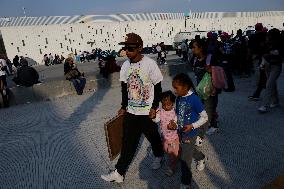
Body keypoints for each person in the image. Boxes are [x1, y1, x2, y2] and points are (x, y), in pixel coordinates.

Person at [101, 33, 164, 183]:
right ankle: (119, 172)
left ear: (140, 48)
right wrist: (123, 107)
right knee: (128, 142)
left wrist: (154, 107)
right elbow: (124, 89)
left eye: (130, 48)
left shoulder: (150, 64)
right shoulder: (125, 66)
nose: (127, 51)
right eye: (125, 48)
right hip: (131, 111)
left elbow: (159, 87)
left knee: (153, 137)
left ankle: (159, 155)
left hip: (147, 111)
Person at [171, 73, 208, 189]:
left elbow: (205, 117)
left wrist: (192, 126)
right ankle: (201, 157)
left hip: (190, 134)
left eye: (176, 88)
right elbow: (178, 115)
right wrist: (174, 123)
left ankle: (186, 182)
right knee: (188, 150)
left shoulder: (194, 99)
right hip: (181, 132)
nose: (175, 91)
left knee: (185, 159)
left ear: (186, 87)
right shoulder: (179, 98)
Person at [153, 90, 179, 176]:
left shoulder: (175, 112)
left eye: (168, 104)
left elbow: (178, 123)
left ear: (172, 103)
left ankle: (172, 167)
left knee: (172, 154)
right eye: (163, 104)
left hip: (173, 137)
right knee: (166, 150)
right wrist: (153, 116)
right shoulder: (160, 111)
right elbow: (156, 120)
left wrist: (175, 125)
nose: (166, 106)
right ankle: (177, 151)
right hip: (164, 137)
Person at [258, 28, 282, 113]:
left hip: (276, 66)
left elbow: (279, 54)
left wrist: (271, 54)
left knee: (268, 85)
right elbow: (264, 55)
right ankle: (275, 101)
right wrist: (262, 63)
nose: (268, 36)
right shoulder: (267, 43)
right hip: (268, 65)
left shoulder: (279, 44)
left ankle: (264, 105)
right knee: (272, 84)